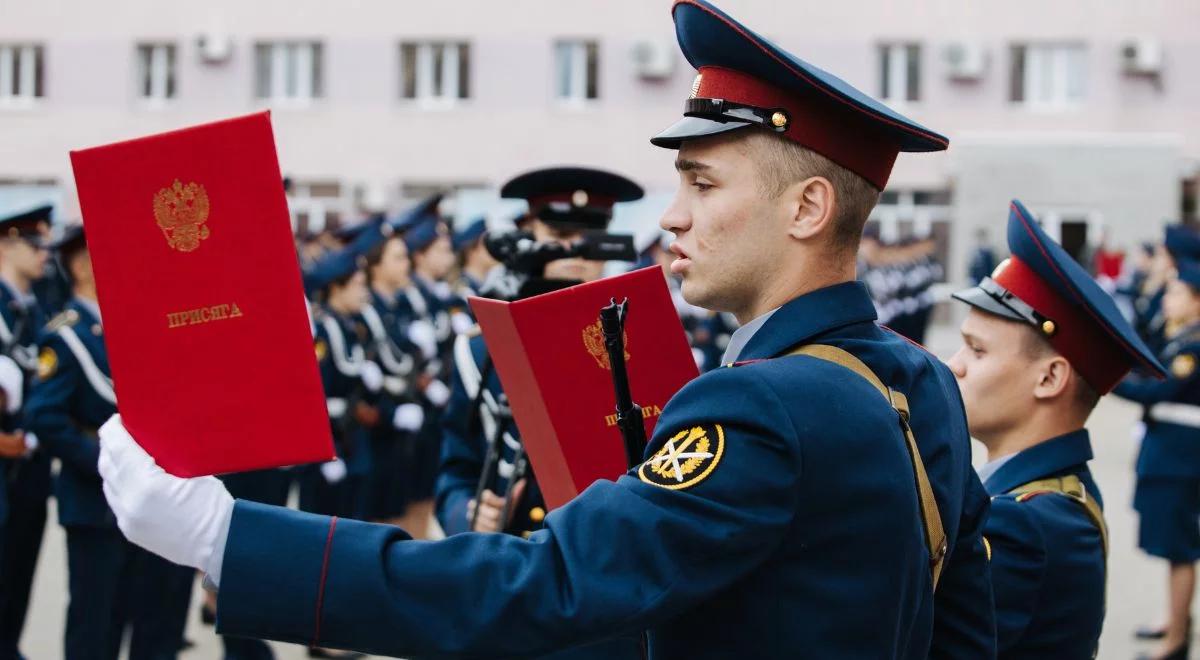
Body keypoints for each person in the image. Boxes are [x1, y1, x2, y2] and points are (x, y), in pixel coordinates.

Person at [97, 0, 994, 657]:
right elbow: (964, 628)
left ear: (808, 207)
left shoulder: (760, 404)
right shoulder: (918, 382)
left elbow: (546, 584)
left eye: (704, 184)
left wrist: (224, 535)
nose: (671, 220)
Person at [949, 201, 1166, 658]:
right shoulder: (1047, 497)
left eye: (977, 351)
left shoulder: (1025, 523)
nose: (955, 366)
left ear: (1049, 379)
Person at [26, 225, 193, 660]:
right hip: (96, 506)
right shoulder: (66, 335)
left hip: (155, 505)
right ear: (82, 265)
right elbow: (45, 418)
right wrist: (108, 461)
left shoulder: (140, 327)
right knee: (95, 626)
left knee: (156, 624)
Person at [1113, 258, 1200, 660]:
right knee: (1171, 546)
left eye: (1177, 293)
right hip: (1168, 453)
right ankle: (1174, 620)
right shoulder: (1180, 337)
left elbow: (1156, 392)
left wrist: (1104, 378)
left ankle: (1177, 640)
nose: (1168, 299)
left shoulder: (1193, 347)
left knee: (1180, 548)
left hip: (1181, 460)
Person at [0, 205, 50, 660]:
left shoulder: (34, 307)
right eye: (33, 245)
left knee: (20, 573)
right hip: (4, 458)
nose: (42, 255)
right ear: (5, 244)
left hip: (31, 467)